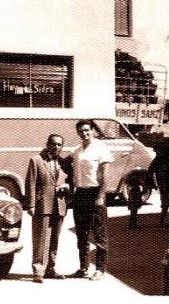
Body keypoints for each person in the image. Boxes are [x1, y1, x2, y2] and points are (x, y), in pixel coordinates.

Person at [69, 119, 113, 281]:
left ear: (93, 131)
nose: (84, 134)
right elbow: (68, 167)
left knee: (99, 233)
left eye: (87, 130)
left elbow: (105, 174)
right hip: (80, 194)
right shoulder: (76, 151)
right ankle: (84, 268)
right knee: (82, 233)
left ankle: (100, 269)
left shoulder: (101, 148)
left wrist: (101, 196)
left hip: (95, 193)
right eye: (81, 131)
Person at [24, 134, 69, 283]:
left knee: (54, 239)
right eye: (53, 144)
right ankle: (38, 271)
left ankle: (50, 269)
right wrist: (31, 205)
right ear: (47, 144)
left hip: (59, 205)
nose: (56, 147)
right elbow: (30, 184)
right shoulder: (36, 160)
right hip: (42, 205)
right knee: (41, 240)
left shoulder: (63, 162)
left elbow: (71, 181)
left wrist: (67, 187)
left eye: (59, 145)